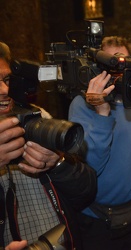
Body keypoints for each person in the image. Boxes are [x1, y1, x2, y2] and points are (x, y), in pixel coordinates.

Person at [0, 41, 97, 250]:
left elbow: (86, 191)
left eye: (7, 79)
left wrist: (58, 164)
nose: (5, 89)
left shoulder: (37, 117)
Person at [68, 36, 131, 249]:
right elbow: (90, 166)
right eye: (110, 62)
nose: (117, 69)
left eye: (123, 61)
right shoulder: (82, 104)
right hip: (100, 224)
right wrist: (102, 112)